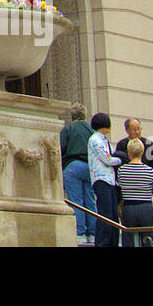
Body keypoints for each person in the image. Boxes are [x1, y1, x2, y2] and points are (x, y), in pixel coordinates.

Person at [60, 102, 96, 244]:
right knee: (90, 200)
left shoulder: (68, 129)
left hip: (73, 166)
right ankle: (92, 233)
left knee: (76, 201)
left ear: (72, 115)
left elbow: (61, 148)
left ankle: (80, 233)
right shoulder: (91, 130)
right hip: (90, 167)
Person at [116, 138, 153, 247]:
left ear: (129, 153)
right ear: (143, 152)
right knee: (149, 240)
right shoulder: (151, 172)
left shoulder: (122, 171)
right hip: (146, 207)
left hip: (129, 207)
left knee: (129, 239)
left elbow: (120, 187)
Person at [88, 112, 122, 247]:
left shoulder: (104, 140)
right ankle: (103, 243)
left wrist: (114, 158)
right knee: (105, 213)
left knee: (114, 214)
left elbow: (111, 154)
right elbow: (107, 159)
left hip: (111, 180)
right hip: (101, 179)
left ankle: (113, 242)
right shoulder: (95, 140)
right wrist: (119, 160)